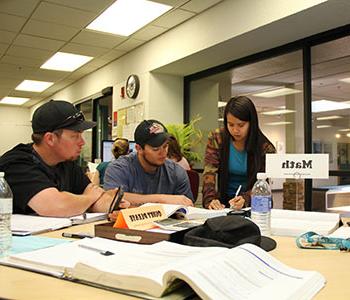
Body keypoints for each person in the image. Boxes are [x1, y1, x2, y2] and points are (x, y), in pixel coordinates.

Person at [0, 100, 129, 217]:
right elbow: (55, 206)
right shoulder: (17, 164)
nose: (82, 142)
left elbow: (98, 199)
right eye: (75, 136)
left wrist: (112, 204)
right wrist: (89, 198)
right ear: (50, 138)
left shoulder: (66, 163)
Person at [202, 96, 276, 210]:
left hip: (254, 205)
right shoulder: (217, 138)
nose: (235, 130)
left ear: (251, 123)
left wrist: (245, 199)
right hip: (223, 204)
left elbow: (263, 185)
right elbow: (209, 173)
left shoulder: (265, 148)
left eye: (241, 125)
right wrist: (210, 200)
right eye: (230, 124)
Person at [104, 119, 194, 207]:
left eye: (165, 146)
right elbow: (112, 199)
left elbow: (187, 206)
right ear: (139, 149)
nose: (163, 152)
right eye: (156, 149)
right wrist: (161, 199)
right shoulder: (119, 168)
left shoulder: (176, 172)